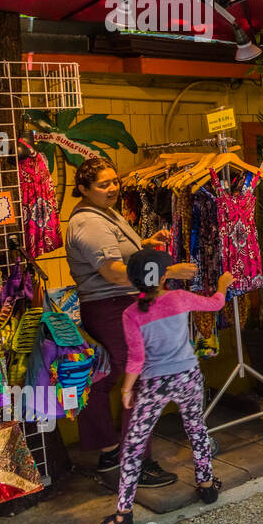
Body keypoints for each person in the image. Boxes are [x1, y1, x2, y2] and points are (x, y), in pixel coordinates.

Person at [65, 157, 196, 487]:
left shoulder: (104, 213)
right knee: (139, 380)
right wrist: (167, 273)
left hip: (109, 305)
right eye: (103, 184)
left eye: (114, 181)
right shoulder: (89, 223)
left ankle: (110, 449)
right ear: (82, 189)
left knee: (103, 378)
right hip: (112, 306)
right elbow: (112, 271)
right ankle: (137, 462)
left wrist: (145, 246)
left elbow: (118, 258)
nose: (112, 188)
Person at [96, 252, 230, 524]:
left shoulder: (130, 314)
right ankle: (207, 487)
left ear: (132, 281)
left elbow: (136, 358)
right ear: (165, 276)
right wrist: (222, 284)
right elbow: (216, 304)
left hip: (153, 383)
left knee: (133, 445)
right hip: (188, 376)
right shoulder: (179, 298)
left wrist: (126, 389)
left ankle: (123, 515)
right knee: (196, 429)